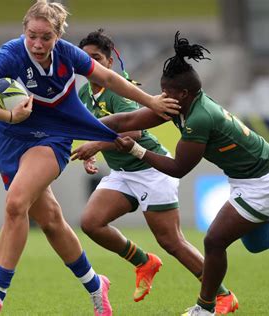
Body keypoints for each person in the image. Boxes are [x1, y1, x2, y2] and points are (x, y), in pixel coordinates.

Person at [100, 32, 269, 316]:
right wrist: (88, 129)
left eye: (166, 93)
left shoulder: (199, 118)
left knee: (214, 240)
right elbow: (127, 119)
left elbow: (179, 168)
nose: (161, 98)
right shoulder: (182, 105)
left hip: (264, 178)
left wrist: (136, 150)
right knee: (259, 241)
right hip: (253, 174)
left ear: (184, 94)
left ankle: (206, 307)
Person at [0, 1, 179, 315]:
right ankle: (95, 285)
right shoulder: (10, 54)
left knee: (16, 203)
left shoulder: (68, 56)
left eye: (46, 37)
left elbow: (111, 79)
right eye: (32, 35)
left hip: (53, 138)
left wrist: (151, 101)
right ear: (24, 31)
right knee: (50, 221)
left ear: (57, 36)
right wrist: (8, 114)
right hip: (10, 138)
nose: (37, 43)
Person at [71, 29, 238, 313]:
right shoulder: (85, 93)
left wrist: (95, 146)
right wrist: (94, 151)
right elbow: (97, 130)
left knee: (172, 241)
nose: (92, 64)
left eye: (97, 58)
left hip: (150, 168)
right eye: (85, 59)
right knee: (91, 222)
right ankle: (143, 261)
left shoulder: (117, 89)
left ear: (109, 63)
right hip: (123, 172)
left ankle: (223, 295)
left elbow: (134, 129)